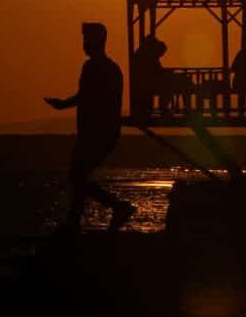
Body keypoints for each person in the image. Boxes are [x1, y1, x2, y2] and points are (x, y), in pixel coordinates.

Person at [44, 22, 137, 233]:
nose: (84, 44)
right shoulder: (111, 69)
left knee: (77, 177)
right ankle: (76, 220)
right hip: (102, 133)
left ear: (96, 42)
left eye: (87, 40)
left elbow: (86, 96)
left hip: (96, 133)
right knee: (79, 177)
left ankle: (117, 207)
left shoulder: (95, 68)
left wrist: (62, 105)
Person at [131, 34, 172, 121]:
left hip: (147, 84)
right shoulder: (147, 55)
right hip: (147, 85)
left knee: (167, 85)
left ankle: (162, 108)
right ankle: (163, 108)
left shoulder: (147, 54)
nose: (160, 55)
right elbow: (155, 71)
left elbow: (158, 70)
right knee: (168, 86)